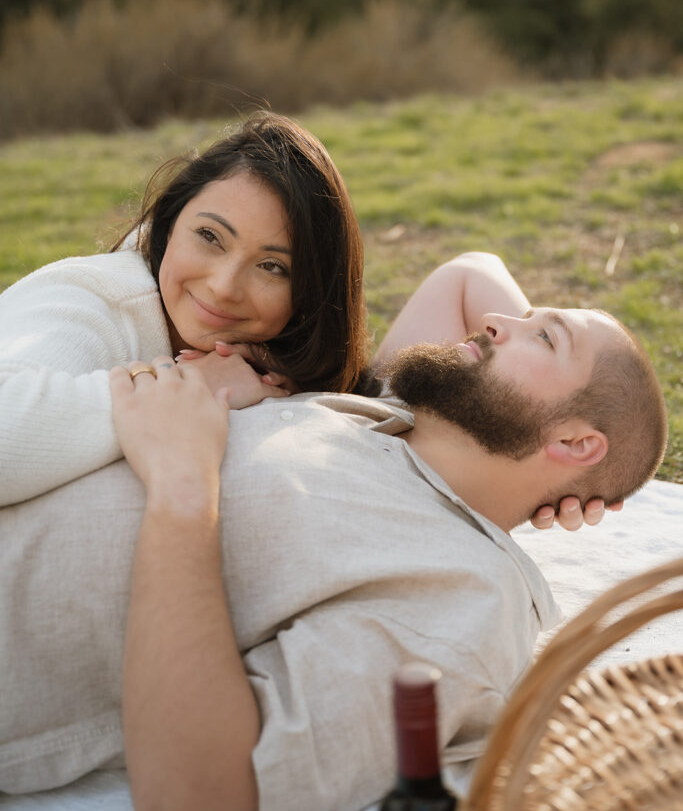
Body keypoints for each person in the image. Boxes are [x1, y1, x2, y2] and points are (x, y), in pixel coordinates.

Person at [0, 256, 667, 809]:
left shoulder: (462, 597)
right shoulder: (392, 420)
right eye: (524, 317)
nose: (496, 321)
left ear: (578, 441)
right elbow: (468, 273)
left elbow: (203, 794)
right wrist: (573, 461)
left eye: (542, 337)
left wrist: (181, 483)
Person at [0, 111, 371, 506]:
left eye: (272, 267)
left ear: (310, 295)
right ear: (168, 223)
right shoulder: (93, 300)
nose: (223, 286)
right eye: (210, 236)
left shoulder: (276, 363)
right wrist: (189, 385)